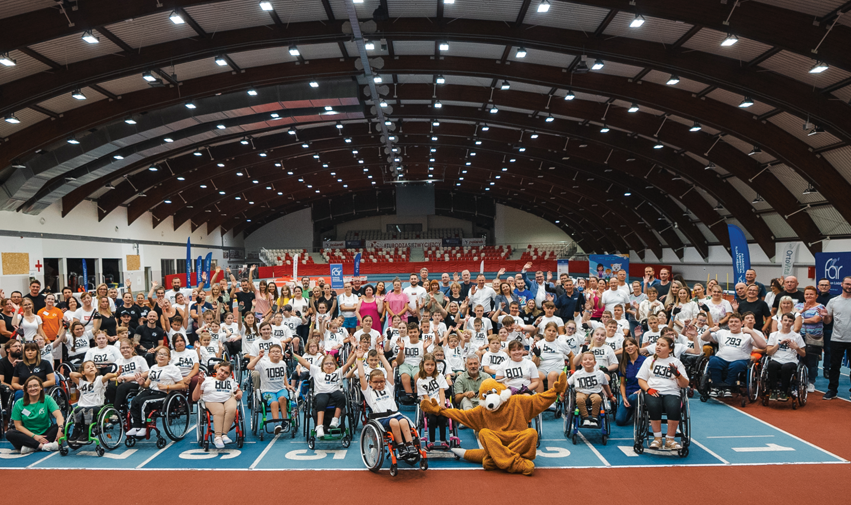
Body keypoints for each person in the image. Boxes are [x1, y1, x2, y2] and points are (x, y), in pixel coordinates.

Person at [355, 347, 418, 459]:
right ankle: (401, 447)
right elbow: (361, 376)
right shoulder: (369, 392)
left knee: (403, 421)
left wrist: (381, 355)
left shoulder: (389, 388)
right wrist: (359, 358)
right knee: (394, 422)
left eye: (381, 382)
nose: (379, 384)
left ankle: (410, 445)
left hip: (395, 414)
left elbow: (389, 370)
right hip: (381, 418)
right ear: (370, 382)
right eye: (376, 382)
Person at [637, 335, 689, 450]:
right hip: (653, 390)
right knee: (654, 405)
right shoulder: (649, 360)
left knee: (674, 406)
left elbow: (685, 384)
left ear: (670, 349)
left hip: (672, 392)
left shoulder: (676, 362)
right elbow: (641, 379)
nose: (658, 347)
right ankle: (657, 439)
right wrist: (648, 389)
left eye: (662, 345)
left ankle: (670, 439)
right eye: (658, 344)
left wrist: (678, 374)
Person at [701, 313, 766, 397]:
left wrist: (751, 332)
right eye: (731, 322)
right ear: (728, 324)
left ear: (742, 323)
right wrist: (710, 330)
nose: (733, 323)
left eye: (736, 321)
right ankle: (716, 387)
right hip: (721, 358)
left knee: (736, 365)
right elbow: (704, 338)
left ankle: (728, 387)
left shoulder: (747, 335)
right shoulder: (722, 332)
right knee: (713, 361)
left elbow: (763, 345)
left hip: (739, 360)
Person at [127, 346, 186, 438]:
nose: (161, 356)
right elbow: (147, 385)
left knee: (144, 402)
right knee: (134, 401)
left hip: (164, 394)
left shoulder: (173, 369)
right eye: (159, 354)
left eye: (164, 354)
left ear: (169, 358)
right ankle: (136, 426)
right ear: (156, 357)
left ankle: (143, 427)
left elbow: (182, 385)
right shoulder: (153, 367)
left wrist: (166, 386)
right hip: (151, 391)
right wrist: (142, 383)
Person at [292, 350, 350, 438]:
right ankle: (319, 427)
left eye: (331, 363)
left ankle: (335, 420)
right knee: (321, 401)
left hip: (335, 391)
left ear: (335, 365)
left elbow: (348, 364)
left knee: (342, 397)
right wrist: (293, 354)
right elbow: (303, 361)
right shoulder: (317, 370)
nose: (329, 365)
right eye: (326, 363)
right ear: (322, 365)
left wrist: (355, 353)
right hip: (321, 393)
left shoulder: (338, 371)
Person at [193, 360, 242, 449]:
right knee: (219, 411)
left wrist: (240, 393)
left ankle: (224, 434)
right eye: (221, 370)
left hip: (228, 398)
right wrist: (199, 383)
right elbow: (195, 398)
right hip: (212, 400)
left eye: (226, 372)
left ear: (229, 375)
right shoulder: (207, 380)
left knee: (232, 409)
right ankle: (218, 437)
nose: (223, 373)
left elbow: (238, 390)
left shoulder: (230, 381)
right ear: (217, 369)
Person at [6, 376, 63, 453]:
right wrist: (35, 436)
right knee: (10, 434)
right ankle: (42, 446)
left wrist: (60, 428)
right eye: (30, 386)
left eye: (35, 385)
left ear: (41, 387)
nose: (33, 388)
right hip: (27, 435)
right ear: (26, 389)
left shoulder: (47, 399)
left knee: (63, 425)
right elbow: (18, 426)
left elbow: (58, 415)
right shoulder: (19, 403)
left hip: (45, 434)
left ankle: (31, 447)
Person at [68, 360, 117, 442]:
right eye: (88, 367)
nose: (91, 367)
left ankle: (87, 432)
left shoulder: (99, 379)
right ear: (83, 372)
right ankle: (77, 430)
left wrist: (116, 374)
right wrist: (84, 374)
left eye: (92, 366)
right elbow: (71, 374)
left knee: (88, 411)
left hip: (97, 405)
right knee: (76, 410)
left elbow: (107, 376)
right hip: (83, 405)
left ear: (96, 369)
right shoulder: (81, 382)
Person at [822, 276, 851, 401]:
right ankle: (832, 390)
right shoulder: (833, 301)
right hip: (837, 339)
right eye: (847, 284)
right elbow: (828, 320)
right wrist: (824, 317)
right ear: (842, 284)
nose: (849, 286)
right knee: (834, 366)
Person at [765, 313, 806, 401]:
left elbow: (803, 354)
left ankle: (784, 392)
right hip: (776, 359)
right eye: (785, 320)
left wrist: (796, 348)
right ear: (781, 321)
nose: (787, 323)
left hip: (790, 360)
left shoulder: (797, 336)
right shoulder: (773, 335)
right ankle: (774, 391)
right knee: (771, 365)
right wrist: (779, 344)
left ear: (793, 323)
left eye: (790, 321)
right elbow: (768, 352)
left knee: (786, 368)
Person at [568, 351, 614, 427]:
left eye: (590, 359)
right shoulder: (577, 373)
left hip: (595, 392)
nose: (588, 361)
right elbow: (567, 383)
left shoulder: (600, 373)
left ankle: (594, 418)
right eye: (585, 359)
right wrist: (562, 394)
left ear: (595, 363)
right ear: (582, 363)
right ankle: (585, 418)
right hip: (581, 392)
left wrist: (610, 396)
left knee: (597, 399)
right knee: (579, 399)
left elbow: (605, 385)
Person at [794, 287, 825, 394]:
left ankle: (811, 382)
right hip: (799, 337)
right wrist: (802, 311)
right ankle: (798, 381)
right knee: (798, 360)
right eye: (807, 294)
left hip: (814, 338)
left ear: (816, 296)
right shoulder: (797, 306)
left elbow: (816, 319)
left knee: (812, 361)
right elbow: (792, 318)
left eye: (811, 294)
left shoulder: (820, 307)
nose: (808, 296)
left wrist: (800, 320)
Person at [416, 352, 449, 449]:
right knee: (432, 419)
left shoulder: (440, 376)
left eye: (432, 365)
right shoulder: (420, 380)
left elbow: (442, 392)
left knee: (442, 419)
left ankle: (443, 440)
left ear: (435, 365)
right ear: (423, 365)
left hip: (440, 404)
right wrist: (433, 409)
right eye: (427, 364)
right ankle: (432, 442)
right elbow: (426, 397)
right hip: (429, 406)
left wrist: (442, 405)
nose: (429, 367)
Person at [107, 338, 149, 411]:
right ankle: (114, 406)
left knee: (122, 387)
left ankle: (116, 410)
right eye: (123, 348)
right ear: (120, 350)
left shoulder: (139, 359)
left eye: (127, 347)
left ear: (132, 349)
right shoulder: (118, 361)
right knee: (111, 386)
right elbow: (111, 378)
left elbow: (147, 373)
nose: (125, 350)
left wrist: (132, 378)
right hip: (122, 382)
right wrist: (118, 378)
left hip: (136, 382)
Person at [532, 322, 574, 389]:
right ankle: (540, 398)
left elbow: (571, 356)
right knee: (537, 375)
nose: (551, 333)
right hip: (542, 368)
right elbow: (535, 364)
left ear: (556, 333)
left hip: (557, 368)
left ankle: (551, 398)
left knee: (552, 375)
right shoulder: (539, 344)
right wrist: (537, 356)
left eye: (554, 331)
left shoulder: (561, 344)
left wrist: (573, 370)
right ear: (545, 330)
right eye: (549, 330)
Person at [616, 337, 646, 426]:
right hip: (629, 394)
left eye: (631, 344)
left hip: (642, 393)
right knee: (619, 421)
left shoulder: (645, 360)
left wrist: (642, 390)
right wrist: (624, 398)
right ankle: (632, 409)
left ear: (637, 346)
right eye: (626, 345)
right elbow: (622, 383)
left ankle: (638, 408)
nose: (629, 347)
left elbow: (651, 379)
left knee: (634, 398)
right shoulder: (623, 363)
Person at [395, 322, 425, 404]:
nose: (413, 334)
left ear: (419, 332)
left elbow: (426, 359)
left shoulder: (422, 344)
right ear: (408, 333)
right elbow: (399, 361)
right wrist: (401, 349)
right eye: (411, 332)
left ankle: (416, 395)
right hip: (406, 364)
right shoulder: (405, 344)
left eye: (415, 332)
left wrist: (425, 349)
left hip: (418, 364)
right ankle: (409, 395)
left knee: (418, 376)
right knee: (405, 375)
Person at [816, 278, 835, 379]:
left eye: (826, 285)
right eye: (822, 285)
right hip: (814, 328)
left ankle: (827, 369)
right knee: (814, 350)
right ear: (818, 287)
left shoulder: (833, 299)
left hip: (828, 327)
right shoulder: (814, 298)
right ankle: (812, 370)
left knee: (828, 350)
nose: (824, 287)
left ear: (829, 287)